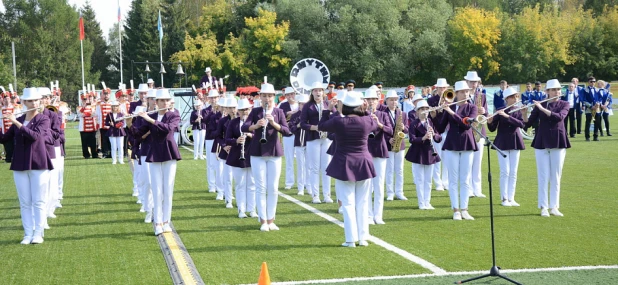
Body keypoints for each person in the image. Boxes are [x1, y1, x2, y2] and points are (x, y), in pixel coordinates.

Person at [318, 91, 377, 247]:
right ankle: (363, 238)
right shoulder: (366, 120)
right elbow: (374, 123)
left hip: (344, 163)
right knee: (363, 202)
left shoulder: (338, 121)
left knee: (348, 203)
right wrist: (365, 108)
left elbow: (321, 126)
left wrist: (328, 109)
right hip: (363, 162)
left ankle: (351, 239)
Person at [0, 88, 53, 244]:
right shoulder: (21, 118)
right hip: (20, 163)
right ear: (23, 102)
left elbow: (36, 137)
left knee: (38, 201)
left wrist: (16, 122)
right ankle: (27, 234)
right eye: (30, 101)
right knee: (25, 202)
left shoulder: (43, 119)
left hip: (38, 162)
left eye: (36, 100)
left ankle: (38, 233)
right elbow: (4, 139)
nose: (34, 103)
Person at [242, 81, 291, 231]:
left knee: (273, 187)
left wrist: (273, 123)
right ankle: (263, 220)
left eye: (270, 96)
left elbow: (286, 131)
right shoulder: (255, 111)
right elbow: (245, 126)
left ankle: (271, 220)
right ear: (260, 97)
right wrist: (256, 126)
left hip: (274, 151)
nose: (267, 98)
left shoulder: (279, 112)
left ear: (274, 97)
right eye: (264, 96)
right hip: (257, 151)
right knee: (260, 187)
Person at [522, 79, 570, 217]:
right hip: (541, 142)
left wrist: (542, 108)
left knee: (556, 176)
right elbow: (527, 124)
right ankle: (543, 206)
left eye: (559, 89)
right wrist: (524, 113)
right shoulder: (540, 105)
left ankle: (554, 206)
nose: (557, 92)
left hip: (558, 141)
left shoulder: (565, 104)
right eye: (554, 90)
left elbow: (559, 117)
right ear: (547, 92)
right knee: (543, 176)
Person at [136, 89, 182, 235]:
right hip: (155, 153)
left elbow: (167, 129)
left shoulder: (174, 115)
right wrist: (130, 122)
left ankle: (166, 222)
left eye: (167, 100)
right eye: (162, 101)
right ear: (156, 102)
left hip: (169, 152)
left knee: (168, 189)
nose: (165, 103)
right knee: (157, 189)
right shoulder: (152, 115)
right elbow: (139, 134)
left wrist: (150, 120)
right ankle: (158, 223)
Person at [435, 81, 478, 220]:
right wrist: (437, 113)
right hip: (452, 144)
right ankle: (456, 210)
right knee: (453, 180)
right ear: (456, 94)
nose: (465, 93)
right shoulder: (450, 107)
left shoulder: (472, 108)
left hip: (467, 143)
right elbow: (440, 129)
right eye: (462, 92)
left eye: (467, 91)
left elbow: (466, 124)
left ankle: (465, 209)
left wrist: (450, 112)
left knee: (465, 179)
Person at [486, 87, 525, 207]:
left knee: (513, 172)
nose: (515, 99)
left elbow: (521, 124)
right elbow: (492, 128)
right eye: (513, 97)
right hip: (502, 142)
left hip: (515, 141)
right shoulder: (500, 110)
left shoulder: (518, 110)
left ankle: (511, 197)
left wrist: (508, 117)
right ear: (507, 99)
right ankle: (504, 198)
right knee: (505, 171)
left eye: (516, 96)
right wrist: (490, 121)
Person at [300, 82, 333, 204]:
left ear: (323, 92)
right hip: (313, 138)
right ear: (312, 92)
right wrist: (314, 127)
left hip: (326, 138)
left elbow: (335, 118)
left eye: (320, 90)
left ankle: (327, 195)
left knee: (326, 168)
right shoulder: (307, 106)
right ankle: (315, 195)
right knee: (314, 168)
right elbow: (303, 123)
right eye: (315, 90)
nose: (318, 92)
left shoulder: (327, 104)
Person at [406, 100, 441, 210]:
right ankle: (421, 202)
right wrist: (423, 138)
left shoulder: (430, 122)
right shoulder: (414, 123)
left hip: (430, 152)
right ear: (417, 112)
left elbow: (439, 138)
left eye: (426, 109)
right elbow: (412, 139)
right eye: (422, 109)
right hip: (418, 153)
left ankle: (427, 202)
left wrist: (433, 134)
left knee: (428, 180)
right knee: (420, 179)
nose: (425, 111)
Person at [365, 87, 393, 225]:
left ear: (378, 101)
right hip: (366, 150)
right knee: (367, 185)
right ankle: (369, 215)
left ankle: (378, 215)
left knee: (379, 184)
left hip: (380, 150)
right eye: (369, 99)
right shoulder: (362, 114)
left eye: (373, 100)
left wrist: (379, 124)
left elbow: (390, 131)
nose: (371, 102)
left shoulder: (384, 114)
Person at [225, 98, 257, 218]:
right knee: (240, 184)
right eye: (242, 110)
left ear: (250, 110)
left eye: (247, 109)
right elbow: (227, 139)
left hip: (253, 154)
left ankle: (252, 209)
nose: (244, 112)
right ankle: (241, 209)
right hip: (237, 156)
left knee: (252, 183)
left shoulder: (255, 122)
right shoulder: (233, 123)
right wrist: (236, 140)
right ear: (238, 111)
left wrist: (251, 135)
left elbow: (259, 137)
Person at [465, 71, 487, 198]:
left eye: (475, 82)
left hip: (479, 131)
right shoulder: (463, 96)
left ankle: (477, 189)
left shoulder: (482, 96)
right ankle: (467, 189)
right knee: (468, 162)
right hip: (467, 131)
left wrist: (483, 112)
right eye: (471, 82)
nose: (473, 84)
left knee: (477, 163)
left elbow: (487, 116)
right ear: (467, 83)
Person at [384, 90, 408, 201]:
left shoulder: (403, 114)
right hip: (389, 144)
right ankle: (390, 192)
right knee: (389, 169)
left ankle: (399, 192)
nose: (394, 102)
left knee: (399, 169)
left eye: (395, 100)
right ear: (387, 101)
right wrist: (388, 139)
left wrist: (403, 128)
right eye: (391, 100)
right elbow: (381, 130)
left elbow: (407, 129)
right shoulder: (383, 113)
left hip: (400, 144)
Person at [427, 78, 450, 192]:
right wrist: (435, 112)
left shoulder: (450, 98)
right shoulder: (431, 100)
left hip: (448, 131)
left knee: (447, 158)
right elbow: (429, 117)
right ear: (437, 88)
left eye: (444, 88)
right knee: (437, 157)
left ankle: (445, 181)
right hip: (437, 131)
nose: (442, 90)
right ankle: (438, 183)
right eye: (440, 88)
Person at [278, 87, 299, 190]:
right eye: (288, 95)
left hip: (299, 133)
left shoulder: (300, 103)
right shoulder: (283, 105)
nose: (290, 96)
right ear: (285, 96)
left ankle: (302, 182)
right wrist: (288, 113)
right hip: (288, 134)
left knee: (301, 159)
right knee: (289, 159)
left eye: (292, 94)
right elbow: (280, 117)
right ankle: (289, 182)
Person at [289, 94, 310, 196]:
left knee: (309, 166)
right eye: (301, 104)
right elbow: (291, 129)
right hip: (299, 143)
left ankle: (309, 186)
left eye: (304, 104)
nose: (303, 106)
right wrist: (298, 125)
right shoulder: (295, 115)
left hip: (310, 142)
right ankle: (300, 188)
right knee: (300, 166)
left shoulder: (311, 114)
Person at [204, 89, 221, 193]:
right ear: (209, 99)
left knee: (220, 164)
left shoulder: (223, 109)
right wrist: (212, 112)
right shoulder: (206, 110)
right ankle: (212, 185)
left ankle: (220, 186)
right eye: (212, 98)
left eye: (215, 97)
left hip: (220, 139)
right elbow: (205, 120)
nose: (213, 99)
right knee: (210, 163)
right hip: (210, 138)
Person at [78, 93, 98, 158]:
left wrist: (88, 113)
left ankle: (94, 154)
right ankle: (86, 155)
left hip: (92, 127)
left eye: (86, 99)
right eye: (84, 100)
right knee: (84, 143)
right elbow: (80, 114)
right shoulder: (79, 107)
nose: (85, 101)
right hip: (83, 128)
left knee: (93, 142)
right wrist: (84, 108)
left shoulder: (93, 106)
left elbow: (94, 114)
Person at [582, 76, 602, 141]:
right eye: (591, 81)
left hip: (597, 108)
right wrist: (591, 106)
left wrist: (598, 103)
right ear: (588, 82)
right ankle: (587, 137)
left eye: (594, 81)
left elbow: (600, 98)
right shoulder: (585, 90)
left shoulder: (597, 89)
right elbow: (583, 100)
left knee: (597, 122)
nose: (593, 83)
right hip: (589, 109)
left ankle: (595, 137)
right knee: (588, 122)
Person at [96, 87, 113, 158]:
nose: (106, 96)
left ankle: (111, 153)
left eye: (107, 94)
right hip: (102, 125)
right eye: (105, 94)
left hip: (111, 125)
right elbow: (97, 114)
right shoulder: (99, 104)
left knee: (111, 140)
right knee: (104, 140)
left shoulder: (113, 103)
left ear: (110, 95)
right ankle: (105, 153)